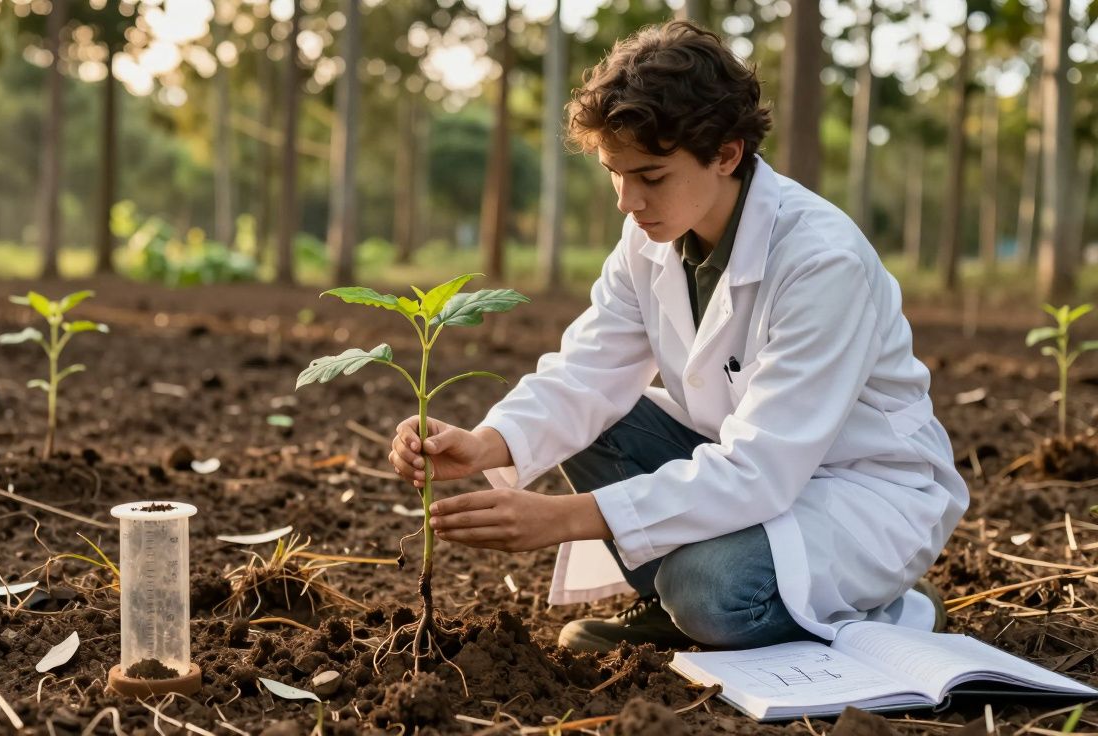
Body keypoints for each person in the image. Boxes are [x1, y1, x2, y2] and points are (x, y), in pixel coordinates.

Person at [387, 20, 968, 653]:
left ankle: (886, 607)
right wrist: (483, 444)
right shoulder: (652, 237)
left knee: (708, 591)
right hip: (751, 468)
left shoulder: (822, 261)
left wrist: (562, 519)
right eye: (616, 173)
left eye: (652, 176)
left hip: (859, 490)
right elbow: (588, 372)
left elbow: (764, 468)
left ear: (727, 153)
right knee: (597, 422)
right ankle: (680, 607)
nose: (627, 201)